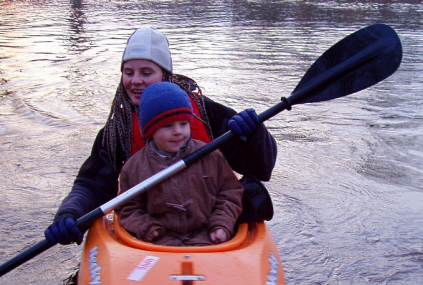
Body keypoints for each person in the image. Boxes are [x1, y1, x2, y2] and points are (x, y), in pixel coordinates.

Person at [45, 27, 276, 246]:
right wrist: (70, 214)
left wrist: (255, 135)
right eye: (129, 72)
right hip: (154, 231)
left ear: (165, 74)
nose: (136, 80)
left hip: (213, 224)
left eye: (146, 72)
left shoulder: (204, 114)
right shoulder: (117, 131)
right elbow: (92, 185)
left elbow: (261, 169)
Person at [118, 82, 243, 246]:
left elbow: (231, 193)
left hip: (208, 238)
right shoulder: (134, 168)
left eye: (184, 124)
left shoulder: (211, 156)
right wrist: (146, 227)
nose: (178, 131)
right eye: (168, 126)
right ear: (151, 131)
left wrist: (221, 224)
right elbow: (128, 208)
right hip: (159, 242)